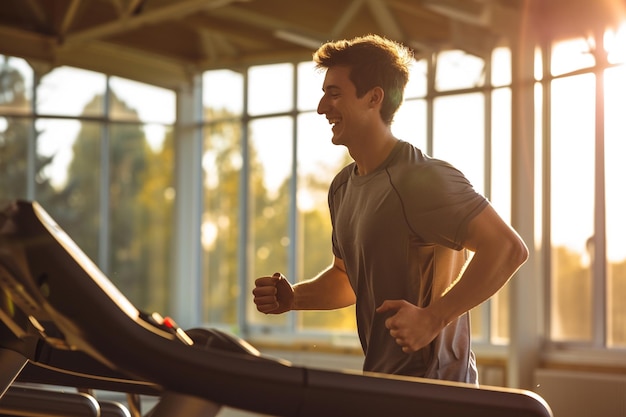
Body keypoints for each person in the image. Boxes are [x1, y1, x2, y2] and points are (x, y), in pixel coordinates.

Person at [252, 34, 528, 385]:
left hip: (438, 391)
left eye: (334, 93)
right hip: (384, 383)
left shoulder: (423, 179)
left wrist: (434, 317)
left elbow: (508, 248)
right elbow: (348, 280)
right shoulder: (342, 188)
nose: (322, 107)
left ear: (374, 98)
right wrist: (294, 298)